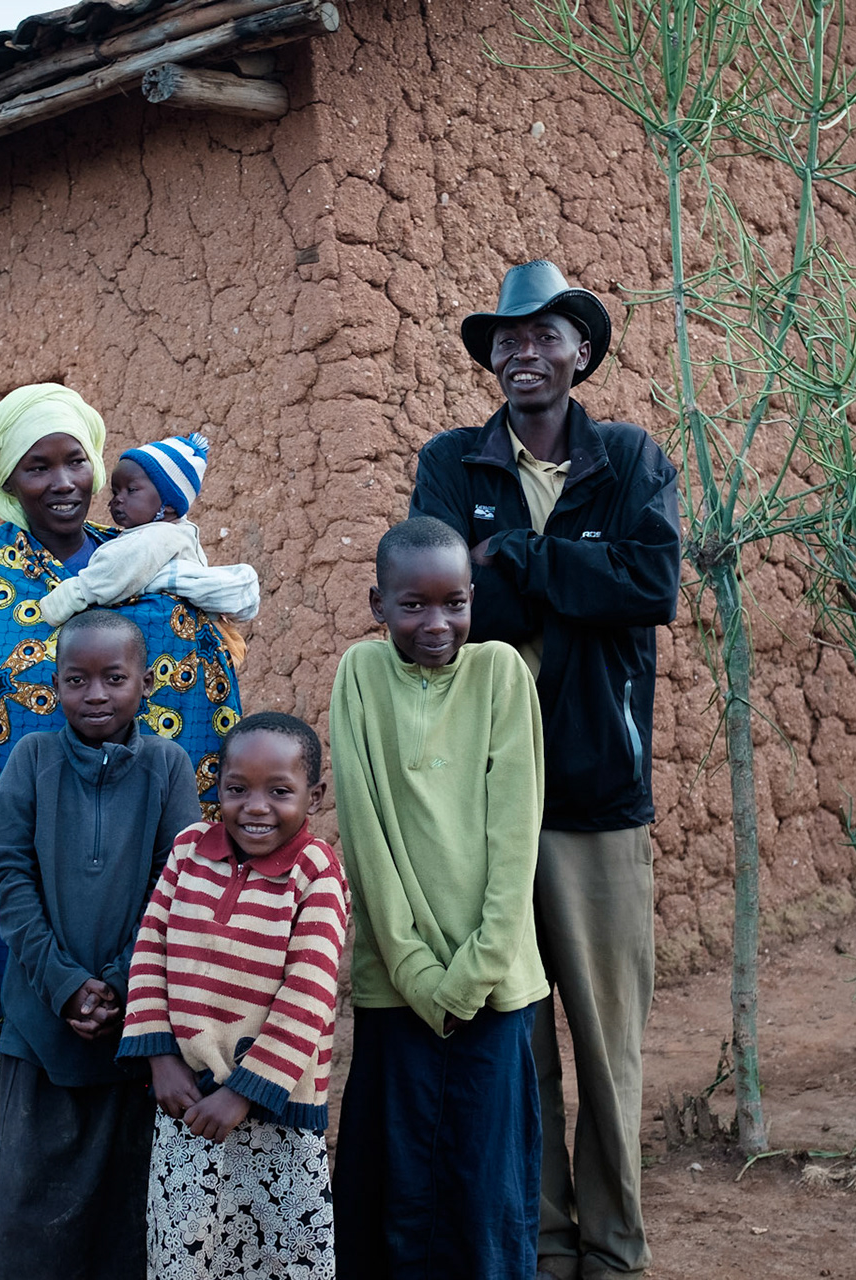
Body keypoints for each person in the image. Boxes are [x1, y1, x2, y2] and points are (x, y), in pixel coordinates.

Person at [0, 383, 244, 1171]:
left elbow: (201, 687)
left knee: (143, 1132)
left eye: (77, 461)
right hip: (21, 885)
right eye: (37, 468)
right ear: (7, 483)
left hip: (136, 877)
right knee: (33, 1103)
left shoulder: (142, 555)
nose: (64, 482)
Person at [409, 261, 682, 1280]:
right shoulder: (453, 462)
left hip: (595, 792)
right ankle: (543, 1236)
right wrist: (565, 578)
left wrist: (519, 559)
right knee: (513, 1037)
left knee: (609, 1041)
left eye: (544, 333)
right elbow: (451, 607)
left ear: (581, 351)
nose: (522, 349)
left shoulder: (629, 458)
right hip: (480, 798)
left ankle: (613, 1246)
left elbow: (652, 583)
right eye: (504, 338)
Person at [329, 516, 548, 1280]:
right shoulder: (358, 675)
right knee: (396, 1185)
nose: (437, 623)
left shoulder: (500, 674)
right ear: (378, 604)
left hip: (494, 982)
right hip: (396, 985)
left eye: (454, 603)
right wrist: (419, 973)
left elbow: (516, 836)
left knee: (484, 1185)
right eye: (413, 605)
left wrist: (475, 970)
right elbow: (365, 834)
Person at [0, 608, 200, 1278]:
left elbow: (177, 881)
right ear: (55, 684)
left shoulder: (167, 766)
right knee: (29, 1222)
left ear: (145, 682)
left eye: (114, 678)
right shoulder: (32, 760)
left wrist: (123, 982)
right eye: (77, 680)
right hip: (40, 1031)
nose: (96, 694)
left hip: (136, 1039)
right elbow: (7, 876)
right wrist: (66, 984)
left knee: (125, 1222)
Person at [117, 711, 347, 1280]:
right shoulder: (189, 850)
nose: (256, 807)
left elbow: (309, 995)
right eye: (237, 789)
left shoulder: (316, 875)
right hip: (189, 1105)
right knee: (186, 1251)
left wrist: (243, 1095)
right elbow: (151, 951)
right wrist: (161, 1060)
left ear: (313, 796)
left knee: (281, 1257)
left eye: (280, 791)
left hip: (275, 1115)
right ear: (216, 784)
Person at [38, 432, 260, 633]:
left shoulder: (156, 538)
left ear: (169, 504)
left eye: (131, 490)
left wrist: (66, 598)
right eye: (115, 492)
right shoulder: (178, 532)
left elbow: (112, 572)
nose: (118, 500)